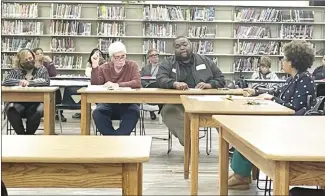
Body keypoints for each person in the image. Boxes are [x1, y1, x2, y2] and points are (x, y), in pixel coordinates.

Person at [229, 40, 316, 190]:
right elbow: (276, 91)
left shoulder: (305, 80)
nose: (282, 61)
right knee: (245, 126)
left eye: (285, 58)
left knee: (248, 131)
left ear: (293, 62)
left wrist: (273, 99)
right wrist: (257, 92)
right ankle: (241, 172)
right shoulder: (293, 78)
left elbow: (296, 109)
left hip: (293, 127)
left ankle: (241, 176)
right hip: (282, 122)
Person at [156, 36, 226, 146]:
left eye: (185, 44)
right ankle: (191, 146)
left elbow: (221, 79)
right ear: (174, 50)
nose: (182, 48)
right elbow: (160, 79)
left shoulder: (205, 61)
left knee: (223, 112)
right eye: (178, 46)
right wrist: (174, 84)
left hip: (205, 102)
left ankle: (232, 148)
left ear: (191, 45)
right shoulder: (168, 63)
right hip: (176, 103)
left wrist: (209, 84)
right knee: (169, 113)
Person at [91, 41, 141, 135]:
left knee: (134, 112)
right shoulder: (104, 68)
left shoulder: (132, 65)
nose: (120, 59)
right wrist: (94, 67)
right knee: (97, 113)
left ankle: (117, 138)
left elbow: (137, 82)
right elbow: (95, 84)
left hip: (128, 103)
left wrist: (117, 85)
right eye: (117, 57)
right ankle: (113, 138)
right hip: (107, 103)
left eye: (123, 56)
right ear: (111, 58)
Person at [2, 48, 50, 135]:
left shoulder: (41, 69)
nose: (29, 61)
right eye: (26, 60)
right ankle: (21, 135)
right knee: (11, 109)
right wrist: (19, 82)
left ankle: (29, 135)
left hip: (37, 102)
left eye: (30, 58)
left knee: (37, 111)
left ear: (34, 57)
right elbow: (6, 81)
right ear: (20, 62)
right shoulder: (16, 71)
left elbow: (46, 81)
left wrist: (30, 82)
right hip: (19, 102)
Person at [33, 47, 67, 122]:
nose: (40, 55)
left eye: (42, 53)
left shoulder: (45, 63)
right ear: (33, 55)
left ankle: (59, 113)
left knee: (56, 91)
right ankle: (41, 112)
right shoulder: (32, 64)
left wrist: (51, 62)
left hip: (47, 85)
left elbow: (53, 74)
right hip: (36, 86)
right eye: (38, 54)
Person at [72, 48, 106, 119]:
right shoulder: (89, 64)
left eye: (99, 55)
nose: (98, 56)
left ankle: (97, 110)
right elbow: (88, 74)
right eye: (96, 54)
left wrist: (102, 64)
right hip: (91, 87)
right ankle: (88, 110)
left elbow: (105, 74)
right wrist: (95, 65)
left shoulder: (105, 65)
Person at [140, 48, 161, 120]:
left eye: (156, 55)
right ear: (149, 58)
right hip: (148, 88)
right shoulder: (145, 68)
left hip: (160, 88)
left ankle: (157, 110)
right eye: (152, 55)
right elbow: (140, 79)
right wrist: (146, 85)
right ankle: (151, 110)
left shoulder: (163, 67)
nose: (155, 57)